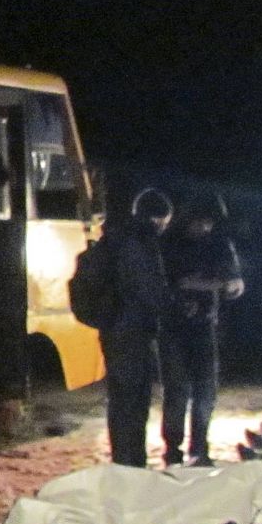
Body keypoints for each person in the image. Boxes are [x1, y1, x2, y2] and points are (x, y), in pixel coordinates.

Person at [158, 192, 243, 467]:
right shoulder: (170, 244)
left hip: (205, 325)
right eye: (201, 222)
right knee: (178, 390)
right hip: (174, 326)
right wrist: (214, 285)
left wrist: (225, 284)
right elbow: (174, 282)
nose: (205, 228)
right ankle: (173, 449)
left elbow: (234, 281)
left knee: (205, 390)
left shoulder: (218, 244)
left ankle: (199, 447)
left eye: (209, 224)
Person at [99, 188, 175, 466]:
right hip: (133, 332)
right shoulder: (140, 243)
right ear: (156, 219)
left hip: (113, 329)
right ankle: (132, 463)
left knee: (119, 400)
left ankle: (123, 460)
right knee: (134, 402)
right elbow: (149, 289)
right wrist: (170, 306)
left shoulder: (116, 238)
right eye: (165, 223)